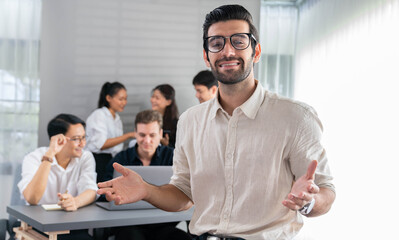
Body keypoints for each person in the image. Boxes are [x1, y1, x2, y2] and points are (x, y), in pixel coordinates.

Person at [98, 4, 335, 240]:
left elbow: (326, 192)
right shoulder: (191, 121)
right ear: (206, 56)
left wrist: (308, 201)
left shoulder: (296, 117)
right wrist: (146, 191)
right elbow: (183, 193)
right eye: (217, 43)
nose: (228, 51)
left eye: (239, 41)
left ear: (257, 51)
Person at [102, 110, 190, 240]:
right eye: (142, 135)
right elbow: (104, 193)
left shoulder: (173, 156)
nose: (147, 140)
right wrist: (110, 195)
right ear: (135, 134)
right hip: (129, 224)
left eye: (152, 135)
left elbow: (187, 188)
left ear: (160, 134)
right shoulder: (120, 160)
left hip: (163, 223)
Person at [18, 114, 97, 240]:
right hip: (36, 227)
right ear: (59, 139)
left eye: (83, 137)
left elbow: (91, 190)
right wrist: (50, 154)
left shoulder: (85, 157)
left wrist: (74, 202)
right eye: (76, 139)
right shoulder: (33, 158)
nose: (83, 143)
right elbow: (32, 198)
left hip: (70, 227)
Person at [85, 82, 135, 182]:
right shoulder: (99, 115)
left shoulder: (117, 118)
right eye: (121, 99)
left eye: (125, 99)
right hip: (98, 160)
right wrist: (129, 135)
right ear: (108, 98)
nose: (124, 102)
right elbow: (102, 144)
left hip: (112, 160)